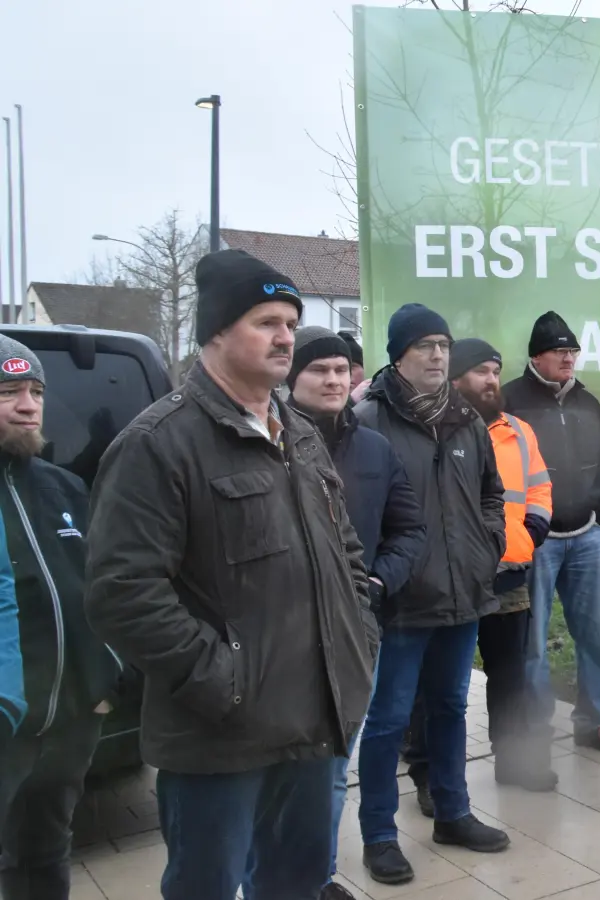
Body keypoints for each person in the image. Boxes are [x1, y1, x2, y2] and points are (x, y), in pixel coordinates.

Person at [85, 250, 376, 898]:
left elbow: (345, 552)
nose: (285, 336)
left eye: (290, 321)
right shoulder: (158, 444)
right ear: (215, 331)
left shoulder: (298, 434)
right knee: (207, 889)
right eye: (266, 321)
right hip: (220, 741)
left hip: (314, 722)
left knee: (296, 883)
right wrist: (226, 683)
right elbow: (122, 593)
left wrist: (359, 636)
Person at [355, 304, 510, 884]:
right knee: (389, 719)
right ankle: (378, 834)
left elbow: (492, 494)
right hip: (400, 600)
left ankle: (453, 812)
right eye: (425, 346)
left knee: (450, 708)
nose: (439, 355)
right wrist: (376, 576)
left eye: (443, 345)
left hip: (462, 593)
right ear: (399, 354)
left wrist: (487, 545)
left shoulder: (466, 419)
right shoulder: (368, 419)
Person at [285, 326, 426, 900]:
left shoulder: (373, 447)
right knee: (284, 772)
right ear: (293, 377)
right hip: (284, 635)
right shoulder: (268, 440)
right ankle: (279, 876)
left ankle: (317, 877)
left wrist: (376, 581)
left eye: (342, 370)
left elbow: (408, 529)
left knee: (333, 765)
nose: (334, 379)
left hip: (356, 632)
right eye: (320, 369)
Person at [0, 336, 123, 897]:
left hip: (69, 724)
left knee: (48, 855)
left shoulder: (63, 486)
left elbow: (103, 588)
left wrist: (106, 682)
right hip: (8, 726)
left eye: (36, 390)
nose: (29, 405)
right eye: (9, 392)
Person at [409, 339, 556, 792]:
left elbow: (540, 490)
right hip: (447, 579)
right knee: (434, 683)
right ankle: (429, 774)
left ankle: (514, 761)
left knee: (510, 676)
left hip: (508, 573)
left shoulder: (519, 431)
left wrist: (531, 532)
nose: (492, 380)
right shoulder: (431, 429)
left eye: (495, 370)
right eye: (481, 372)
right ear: (456, 379)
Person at [501, 312, 600, 754]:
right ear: (537, 356)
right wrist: (520, 526)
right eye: (561, 352)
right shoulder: (510, 400)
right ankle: (537, 732)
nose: (569, 359)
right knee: (533, 644)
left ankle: (592, 722)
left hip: (586, 536)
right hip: (537, 541)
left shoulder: (587, 402)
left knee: (595, 636)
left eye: (573, 352)